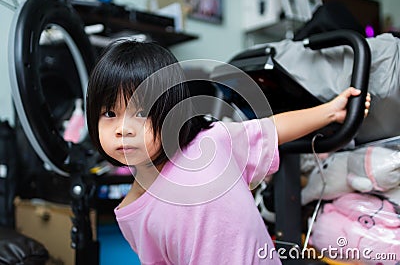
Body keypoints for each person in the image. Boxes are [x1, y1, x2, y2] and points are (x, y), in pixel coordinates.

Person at [86, 38, 371, 264]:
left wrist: (330, 112)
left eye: (141, 113)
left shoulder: (212, 144)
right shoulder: (131, 213)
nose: (123, 129)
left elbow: (274, 128)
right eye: (110, 113)